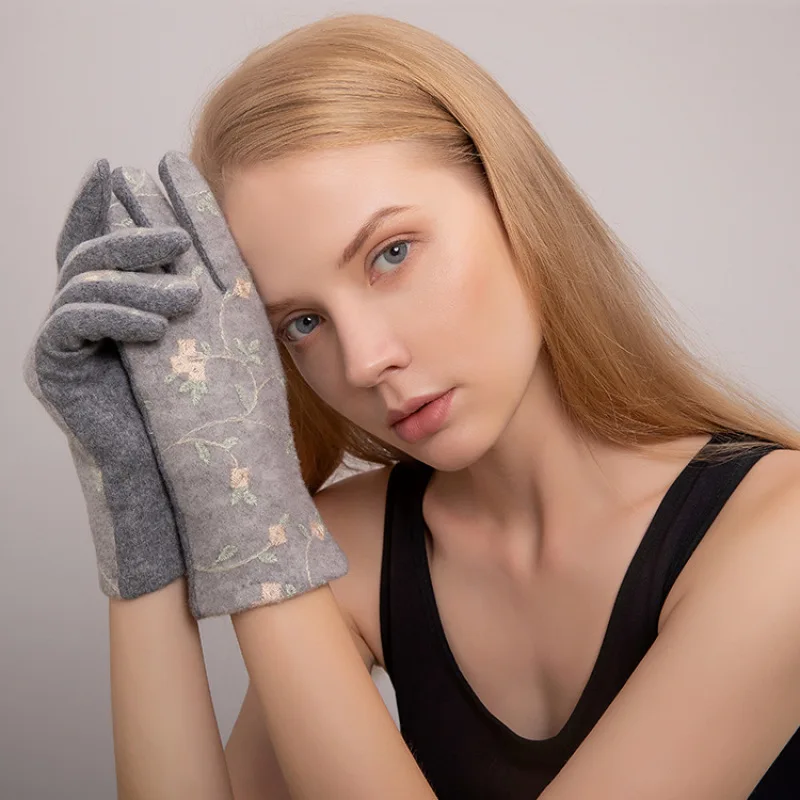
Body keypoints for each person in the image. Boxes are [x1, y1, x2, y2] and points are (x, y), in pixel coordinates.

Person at [28, 13, 800, 800]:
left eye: (391, 254)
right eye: (302, 322)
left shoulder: (783, 536)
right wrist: (134, 500)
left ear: (513, 198)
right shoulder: (355, 550)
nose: (365, 361)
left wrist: (257, 536)